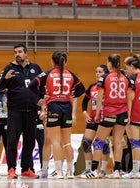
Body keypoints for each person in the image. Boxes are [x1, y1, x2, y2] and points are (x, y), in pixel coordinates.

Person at [28, 50, 85, 179]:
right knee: (67, 142)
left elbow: (31, 85)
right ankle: (70, 172)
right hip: (67, 106)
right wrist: (73, 95)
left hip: (54, 106)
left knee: (54, 141)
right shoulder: (71, 74)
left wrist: (42, 96)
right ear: (65, 61)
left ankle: (58, 171)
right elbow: (82, 89)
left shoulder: (47, 74)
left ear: (52, 61)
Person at [81, 54, 132, 179]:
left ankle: (94, 170)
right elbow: (130, 98)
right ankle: (117, 171)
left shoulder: (105, 77)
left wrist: (97, 113)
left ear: (109, 63)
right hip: (123, 113)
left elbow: (100, 97)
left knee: (99, 141)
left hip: (109, 112)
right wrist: (129, 115)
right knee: (118, 142)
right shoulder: (126, 79)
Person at [0, 43, 42, 179]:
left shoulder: (35, 68)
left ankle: (26, 169)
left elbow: (42, 85)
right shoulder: (9, 68)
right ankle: (11, 168)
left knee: (29, 141)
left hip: (32, 110)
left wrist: (42, 99)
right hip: (15, 111)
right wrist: (5, 79)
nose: (17, 54)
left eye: (20, 51)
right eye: (15, 52)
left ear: (26, 53)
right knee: (12, 141)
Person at [77, 64, 110, 178]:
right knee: (86, 143)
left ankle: (102, 170)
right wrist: (84, 112)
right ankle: (88, 169)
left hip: (104, 118)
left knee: (103, 144)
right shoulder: (92, 87)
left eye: (100, 72)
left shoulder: (109, 86)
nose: (97, 74)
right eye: (96, 72)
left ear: (106, 73)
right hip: (93, 118)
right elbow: (84, 101)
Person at [122, 55, 140, 178]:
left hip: (134, 113)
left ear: (133, 67)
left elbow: (131, 98)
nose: (126, 70)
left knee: (134, 143)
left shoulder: (132, 79)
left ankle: (135, 171)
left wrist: (128, 115)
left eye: (127, 68)